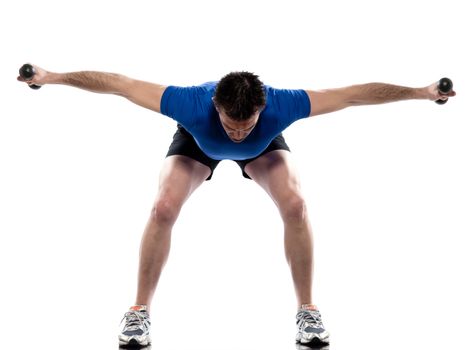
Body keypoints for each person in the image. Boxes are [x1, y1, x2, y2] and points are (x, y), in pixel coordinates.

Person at [18, 66, 455, 347]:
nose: (238, 133)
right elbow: (119, 84)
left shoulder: (282, 106)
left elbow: (354, 93)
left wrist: (420, 91)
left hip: (267, 153)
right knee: (162, 209)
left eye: (245, 124)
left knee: (297, 205)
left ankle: (307, 311)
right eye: (231, 124)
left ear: (262, 109)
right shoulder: (188, 102)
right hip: (196, 144)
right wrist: (51, 76)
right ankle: (138, 313)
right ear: (216, 107)